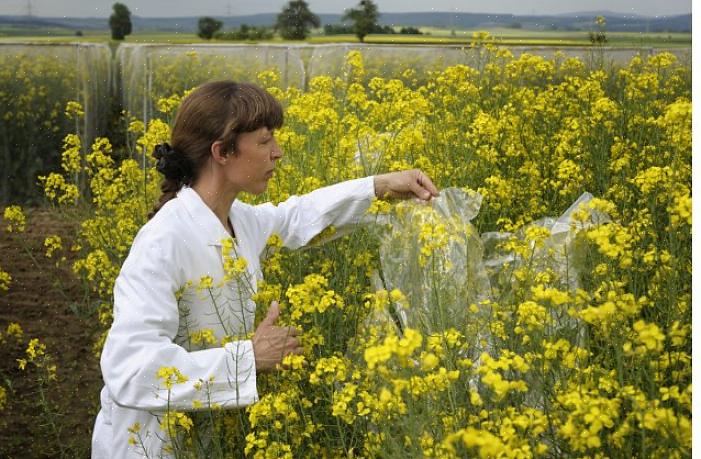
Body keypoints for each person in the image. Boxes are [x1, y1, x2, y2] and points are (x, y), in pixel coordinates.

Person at [91, 80, 439, 458]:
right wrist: (249, 358)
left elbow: (293, 219)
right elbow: (129, 369)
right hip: (149, 447)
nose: (278, 153)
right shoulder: (163, 241)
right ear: (222, 151)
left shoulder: (235, 219)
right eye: (264, 141)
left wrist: (378, 187)